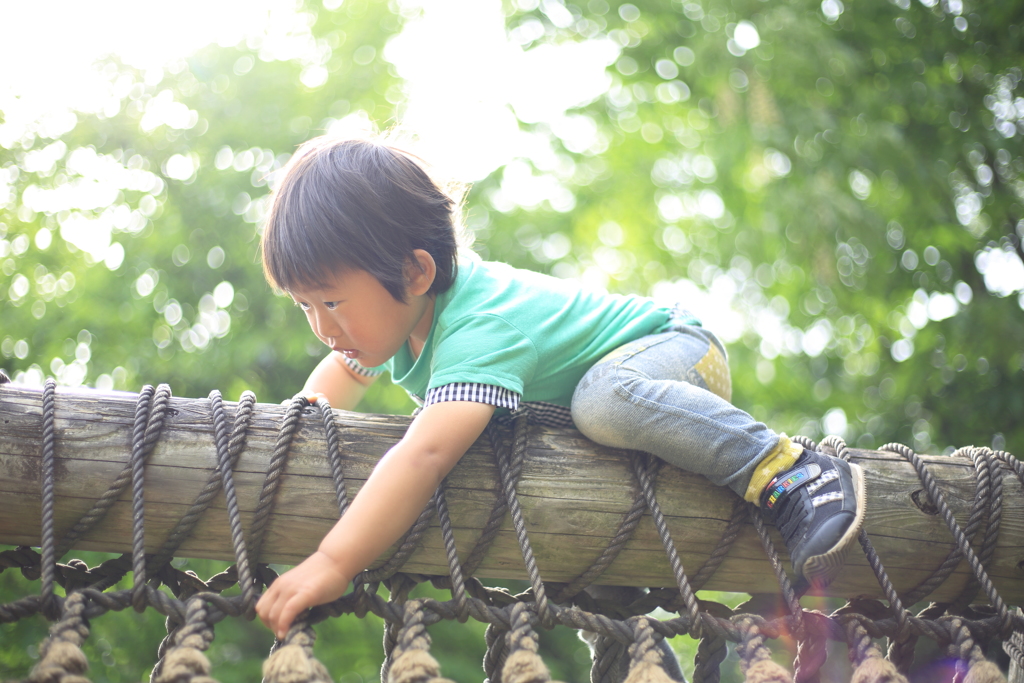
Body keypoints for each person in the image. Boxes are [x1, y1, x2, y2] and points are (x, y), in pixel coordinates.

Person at [254, 135, 866, 640]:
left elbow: (425, 454)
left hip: (675, 352)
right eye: (304, 306)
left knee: (599, 400)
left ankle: (791, 473)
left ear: (416, 272)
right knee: (573, 549)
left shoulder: (477, 328)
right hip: (598, 423)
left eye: (331, 301)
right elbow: (342, 370)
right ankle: (625, 628)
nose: (322, 327)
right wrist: (310, 410)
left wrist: (333, 561)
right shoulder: (393, 322)